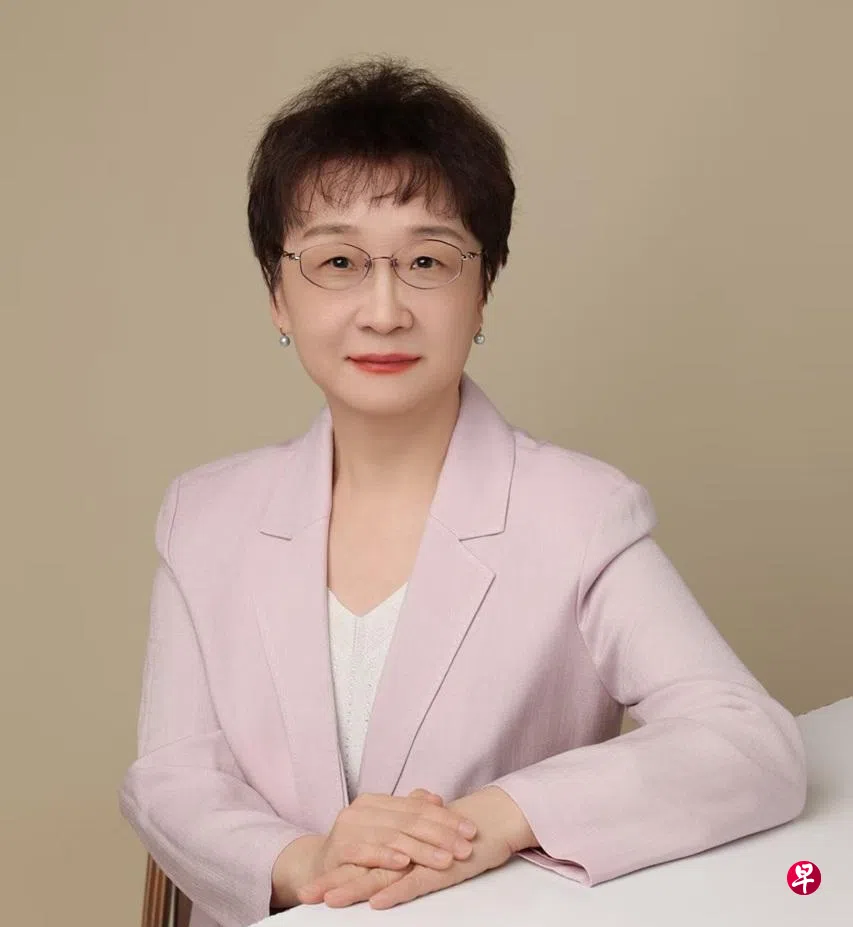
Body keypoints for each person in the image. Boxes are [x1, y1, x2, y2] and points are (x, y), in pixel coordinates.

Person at [119, 57, 807, 927]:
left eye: (426, 260)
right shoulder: (204, 515)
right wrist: (305, 863)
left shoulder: (579, 513)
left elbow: (748, 742)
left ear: (482, 290)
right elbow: (172, 777)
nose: (383, 309)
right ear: (278, 297)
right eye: (338, 260)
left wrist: (486, 823)